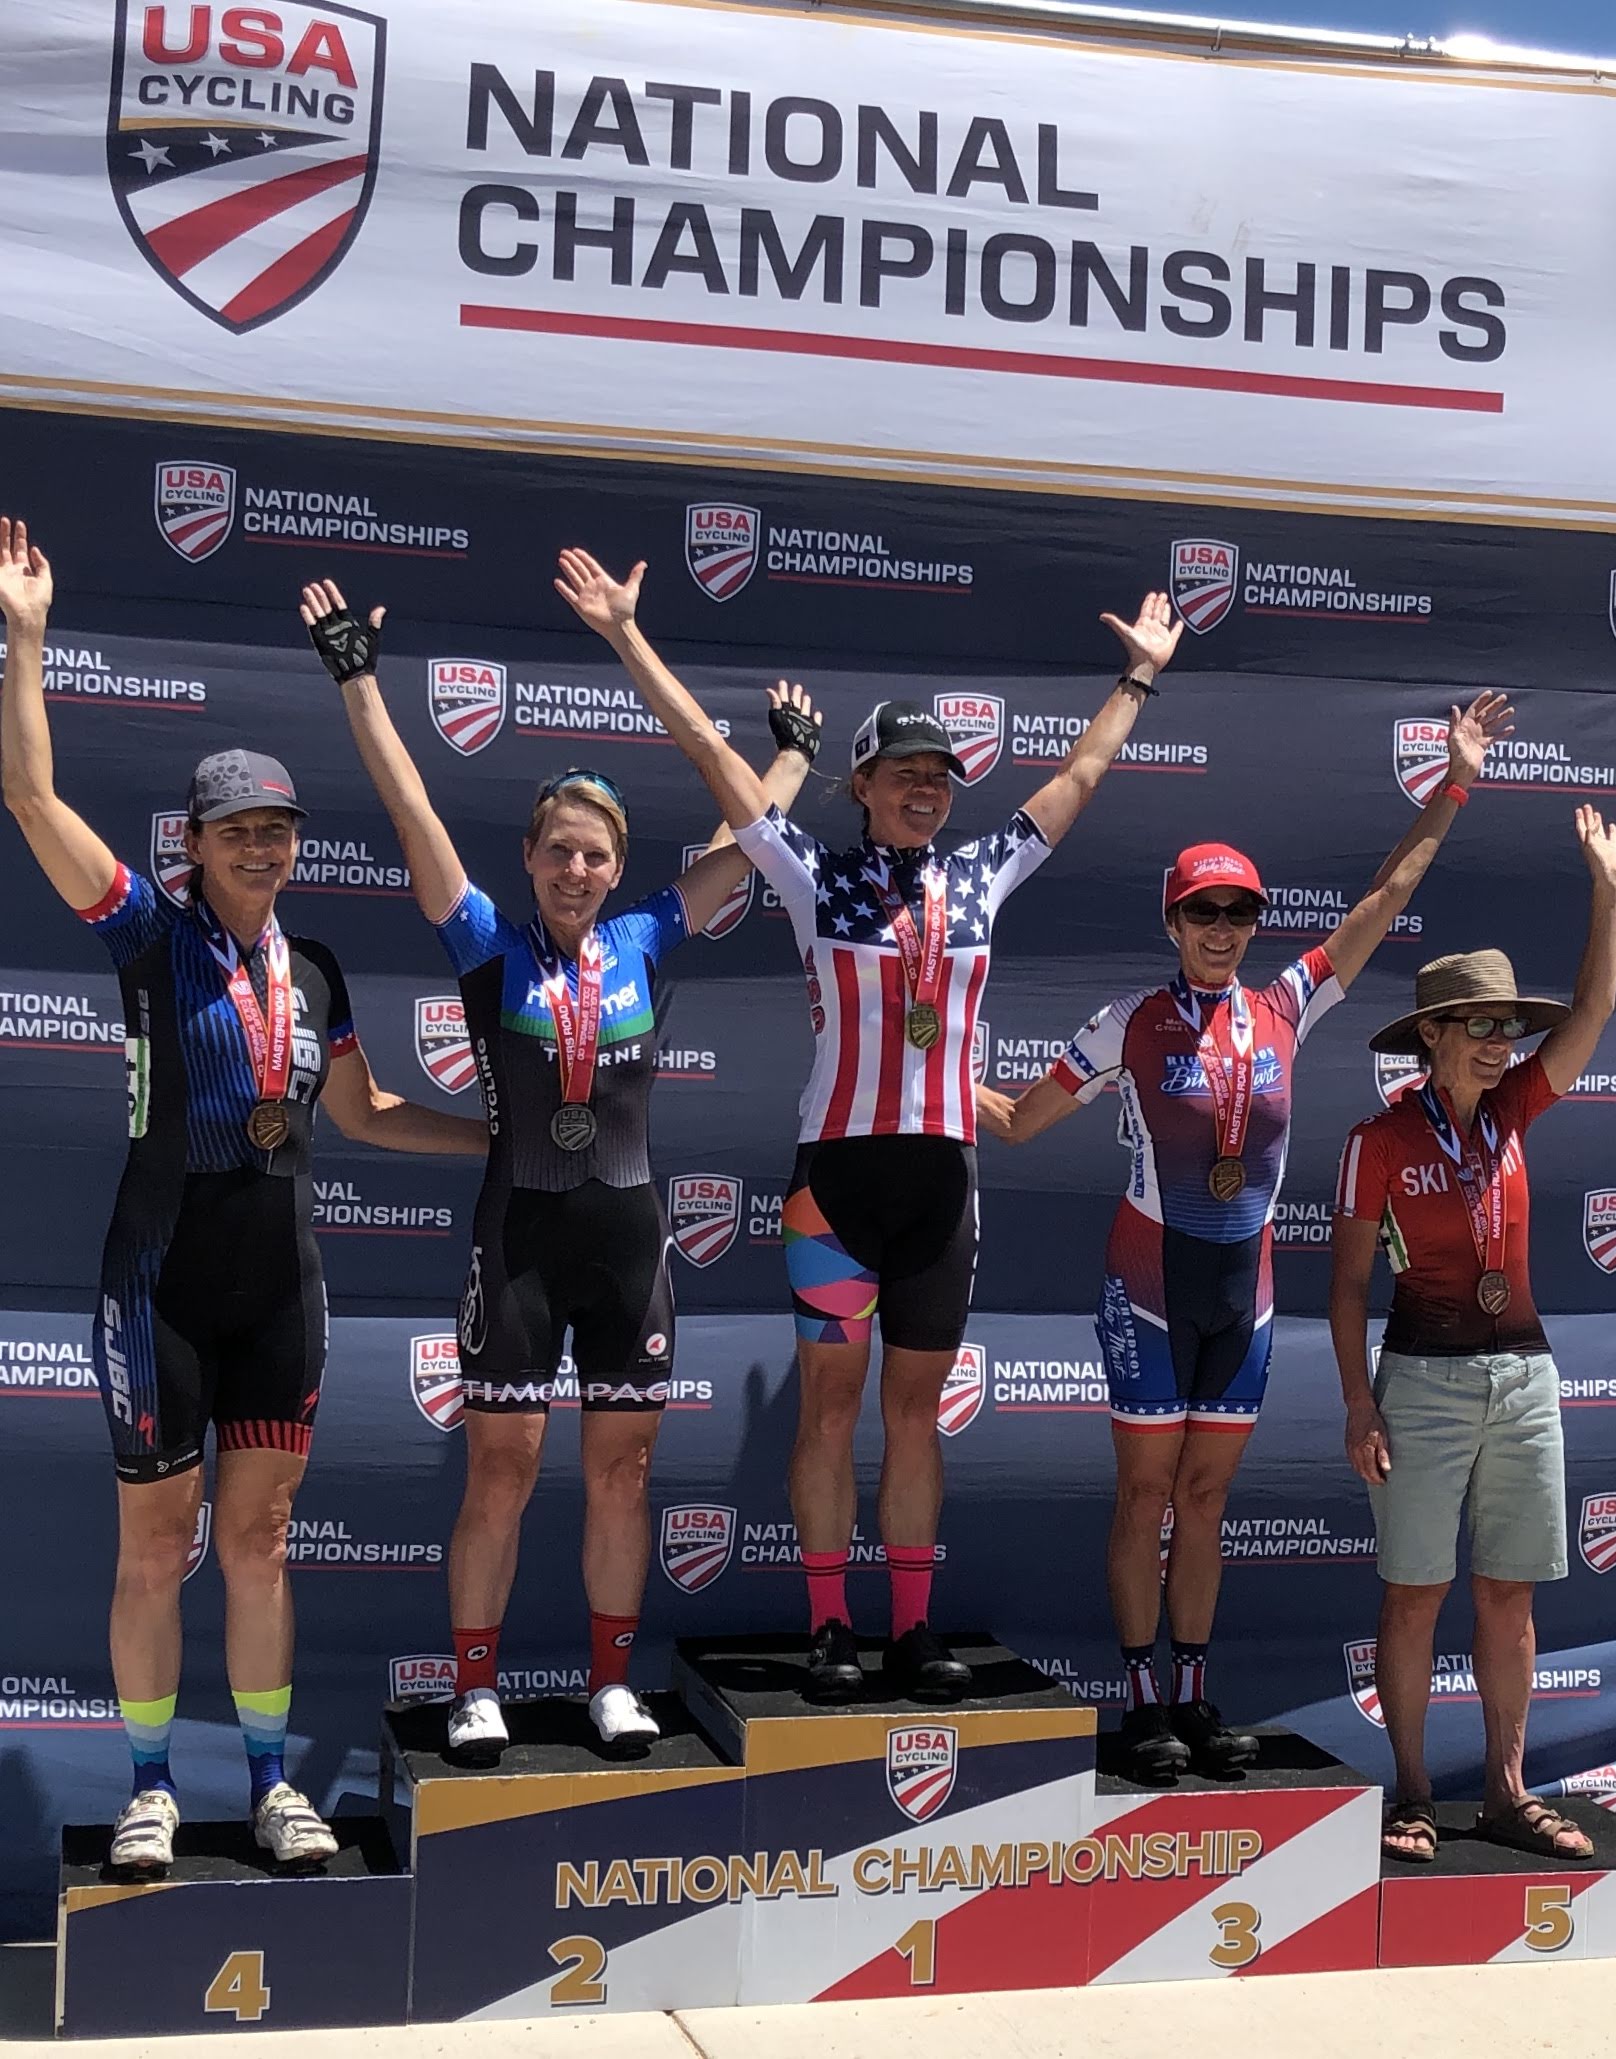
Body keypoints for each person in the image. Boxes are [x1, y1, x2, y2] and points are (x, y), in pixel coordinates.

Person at [553, 544, 1183, 1704]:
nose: (924, 788)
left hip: (942, 1189)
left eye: (939, 774)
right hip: (833, 1190)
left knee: (914, 1417)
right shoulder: (812, 873)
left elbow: (1079, 778)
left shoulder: (983, 875)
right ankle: (829, 1624)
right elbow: (707, 753)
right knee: (831, 1408)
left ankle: (910, 1628)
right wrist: (625, 635)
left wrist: (1137, 676)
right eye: (903, 772)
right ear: (860, 783)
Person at [0, 520, 485, 1877]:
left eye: (279, 830)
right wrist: (26, 638)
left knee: (262, 1541)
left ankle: (272, 1783)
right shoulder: (146, 936)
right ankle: (151, 1787)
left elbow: (364, 1111)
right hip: (159, 1278)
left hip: (280, 1284)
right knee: (157, 1547)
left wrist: (494, 1140)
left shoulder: (313, 969)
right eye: (240, 831)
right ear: (196, 841)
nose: (264, 848)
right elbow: (30, 798)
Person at [301, 578, 822, 1760]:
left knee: (623, 1471)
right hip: (519, 1240)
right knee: (501, 1468)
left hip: (628, 1241)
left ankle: (610, 1683)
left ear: (616, 864)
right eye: (558, 852)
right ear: (529, 858)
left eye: (594, 855)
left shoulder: (645, 935)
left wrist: (788, 759)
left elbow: (750, 844)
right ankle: (474, 1688)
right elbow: (412, 810)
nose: (575, 870)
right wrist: (357, 681)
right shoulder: (485, 942)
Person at [978, 694, 1513, 1778]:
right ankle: (1141, 1703)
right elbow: (1022, 1121)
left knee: (1206, 1498)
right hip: (1147, 1284)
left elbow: (1384, 897)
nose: (1221, 928)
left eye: (1238, 912)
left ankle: (1192, 1692)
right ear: (1172, 922)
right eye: (1202, 911)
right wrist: (923, 1071)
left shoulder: (1285, 1006)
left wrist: (1453, 784)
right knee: (1144, 1495)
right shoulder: (1126, 1023)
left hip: (1245, 1291)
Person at [1331, 806, 1616, 1865]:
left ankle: (1505, 1792)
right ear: (1434, 1035)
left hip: (1524, 1379)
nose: (1504, 1042)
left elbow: (1591, 1010)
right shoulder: (1376, 1140)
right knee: (1414, 1594)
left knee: (1509, 1593)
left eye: (1508, 1025)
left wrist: (1606, 890)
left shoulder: (1516, 1110)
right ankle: (1411, 1793)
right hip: (1419, 1383)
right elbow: (1345, 1288)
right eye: (1484, 1026)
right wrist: (1357, 1402)